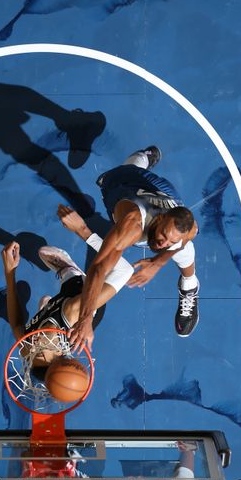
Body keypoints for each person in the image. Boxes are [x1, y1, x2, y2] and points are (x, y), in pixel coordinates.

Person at [71, 146, 200, 349]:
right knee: (130, 172)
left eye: (169, 241)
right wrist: (85, 319)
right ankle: (142, 158)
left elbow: (184, 236)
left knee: (185, 248)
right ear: (161, 217)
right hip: (118, 184)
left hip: (163, 191)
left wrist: (158, 262)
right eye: (163, 236)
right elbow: (99, 268)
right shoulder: (131, 227)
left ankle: (190, 286)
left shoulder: (185, 228)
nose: (163, 244)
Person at [1, 205, 134, 362]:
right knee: (93, 274)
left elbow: (16, 325)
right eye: (40, 352)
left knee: (44, 314)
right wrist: (83, 231)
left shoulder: (30, 347)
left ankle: (48, 309)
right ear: (56, 352)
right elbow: (125, 270)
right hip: (83, 295)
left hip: (59, 314)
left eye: (31, 353)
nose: (32, 345)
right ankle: (69, 270)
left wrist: (9, 273)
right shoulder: (72, 311)